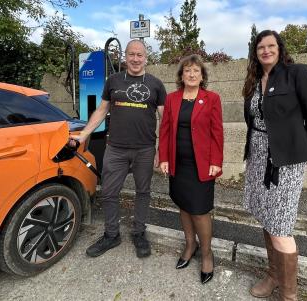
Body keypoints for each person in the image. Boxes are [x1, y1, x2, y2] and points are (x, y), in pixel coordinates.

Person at [242, 30, 307, 300]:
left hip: (286, 161)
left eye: (271, 46)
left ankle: (289, 294)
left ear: (280, 48)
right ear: (255, 53)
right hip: (258, 156)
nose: (265, 51)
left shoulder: (297, 73)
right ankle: (274, 275)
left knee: (281, 225)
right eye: (260, 47)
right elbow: (253, 120)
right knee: (266, 217)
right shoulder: (255, 81)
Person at [70, 39, 166, 258]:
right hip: (116, 148)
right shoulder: (112, 80)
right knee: (109, 192)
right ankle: (111, 235)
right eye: (131, 54)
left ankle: (139, 232)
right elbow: (102, 110)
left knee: (143, 192)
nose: (135, 59)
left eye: (139, 55)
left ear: (146, 58)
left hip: (145, 149)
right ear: (125, 57)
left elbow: (164, 118)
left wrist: (162, 149)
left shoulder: (156, 84)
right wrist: (84, 133)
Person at [158, 54, 224, 284]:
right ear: (181, 75)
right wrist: (163, 158)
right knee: (184, 205)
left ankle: (207, 254)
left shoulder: (212, 98)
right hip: (178, 163)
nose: (192, 74)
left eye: (196, 70)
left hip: (202, 165)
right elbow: (165, 130)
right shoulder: (172, 99)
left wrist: (217, 161)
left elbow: (217, 133)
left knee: (200, 210)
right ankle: (190, 245)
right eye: (187, 70)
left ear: (202, 75)